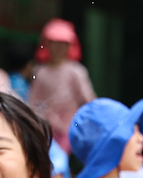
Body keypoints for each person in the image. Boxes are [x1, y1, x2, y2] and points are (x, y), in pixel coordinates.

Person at [28, 19, 95, 151]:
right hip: (45, 127)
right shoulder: (41, 72)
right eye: (54, 43)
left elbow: (88, 99)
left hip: (69, 127)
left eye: (63, 44)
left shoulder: (76, 71)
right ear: (47, 44)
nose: (58, 47)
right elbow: (34, 101)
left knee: (60, 158)